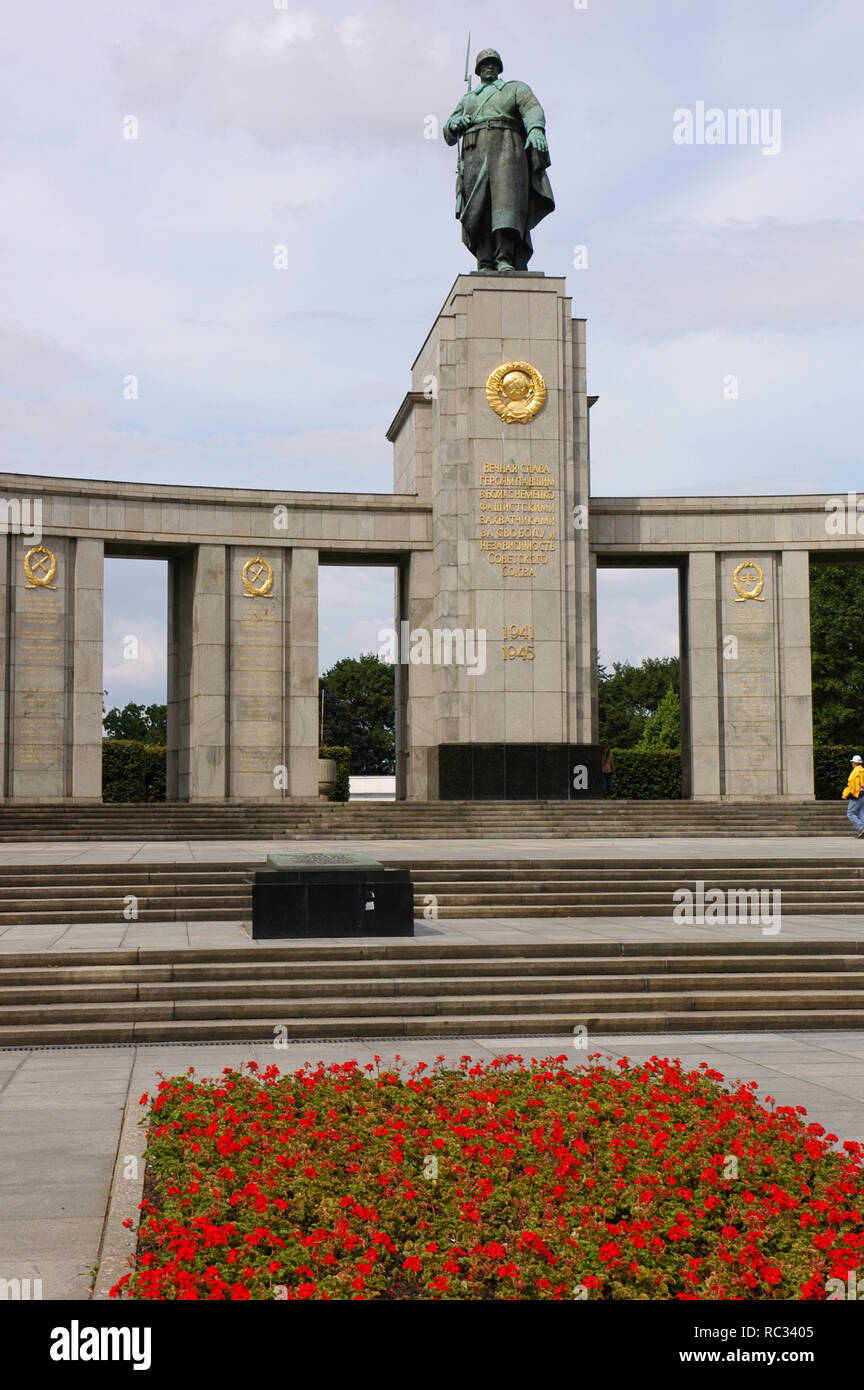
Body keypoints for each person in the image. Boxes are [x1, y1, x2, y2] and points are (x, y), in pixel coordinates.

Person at [443, 48, 554, 272]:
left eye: (493, 63)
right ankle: (484, 261)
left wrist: (535, 129)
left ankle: (505, 258)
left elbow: (532, 108)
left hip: (507, 147)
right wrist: (453, 125)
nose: (489, 67)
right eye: (484, 64)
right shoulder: (468, 99)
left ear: (499, 67)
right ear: (478, 70)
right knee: (478, 207)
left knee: (507, 204)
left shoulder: (514, 89)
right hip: (475, 151)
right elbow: (448, 132)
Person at [842, 754, 864, 836]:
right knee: (861, 812)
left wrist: (845, 794)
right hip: (863, 794)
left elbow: (851, 785)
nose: (852, 764)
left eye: (852, 762)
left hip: (857, 794)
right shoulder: (862, 770)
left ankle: (861, 828)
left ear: (854, 763)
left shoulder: (855, 772)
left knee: (850, 813)